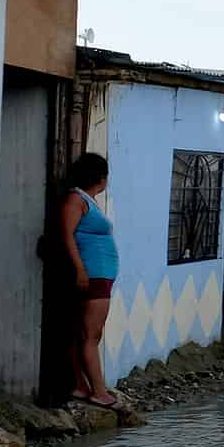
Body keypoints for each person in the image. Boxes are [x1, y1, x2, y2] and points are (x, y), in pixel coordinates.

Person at [61, 153, 125, 411]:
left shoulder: (88, 201)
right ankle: (98, 391)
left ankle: (83, 386)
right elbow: (66, 236)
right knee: (91, 334)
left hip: (100, 275)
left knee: (86, 333)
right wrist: (79, 270)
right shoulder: (76, 199)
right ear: (101, 176)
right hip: (92, 275)